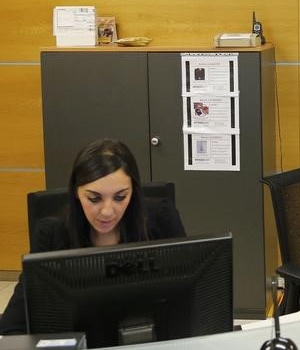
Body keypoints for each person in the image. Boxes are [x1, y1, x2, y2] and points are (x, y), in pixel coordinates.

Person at [0, 139, 186, 335]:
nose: (107, 212)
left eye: (120, 197)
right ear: (76, 193)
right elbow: (14, 325)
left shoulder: (161, 220)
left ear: (133, 192)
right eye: (94, 198)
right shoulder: (51, 236)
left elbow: (190, 300)